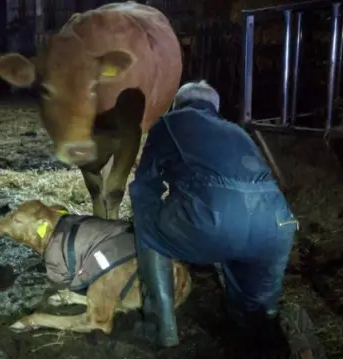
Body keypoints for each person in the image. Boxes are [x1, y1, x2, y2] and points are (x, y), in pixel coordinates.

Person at [129, 80, 301, 355]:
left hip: (216, 219)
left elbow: (145, 185)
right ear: (215, 108)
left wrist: (150, 212)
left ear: (178, 104)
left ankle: (164, 328)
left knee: (147, 224)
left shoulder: (171, 123)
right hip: (278, 224)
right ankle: (262, 326)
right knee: (257, 305)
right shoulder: (237, 131)